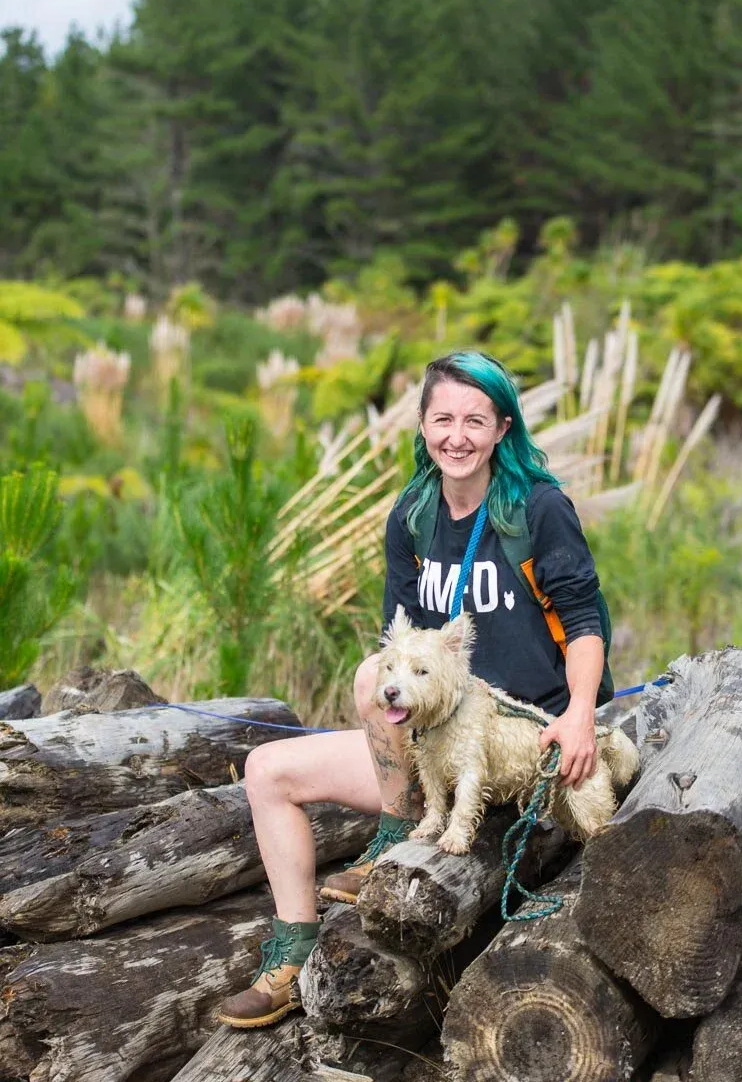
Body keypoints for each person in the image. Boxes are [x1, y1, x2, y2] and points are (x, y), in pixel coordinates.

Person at [217, 350, 606, 1028]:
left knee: (371, 679)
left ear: (502, 429)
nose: (457, 436)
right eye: (442, 418)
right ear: (422, 426)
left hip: (519, 745)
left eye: (475, 420)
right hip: (437, 762)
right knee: (266, 769)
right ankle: (291, 954)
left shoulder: (537, 510)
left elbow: (583, 623)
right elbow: (397, 653)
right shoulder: (413, 516)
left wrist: (576, 716)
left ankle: (396, 840)